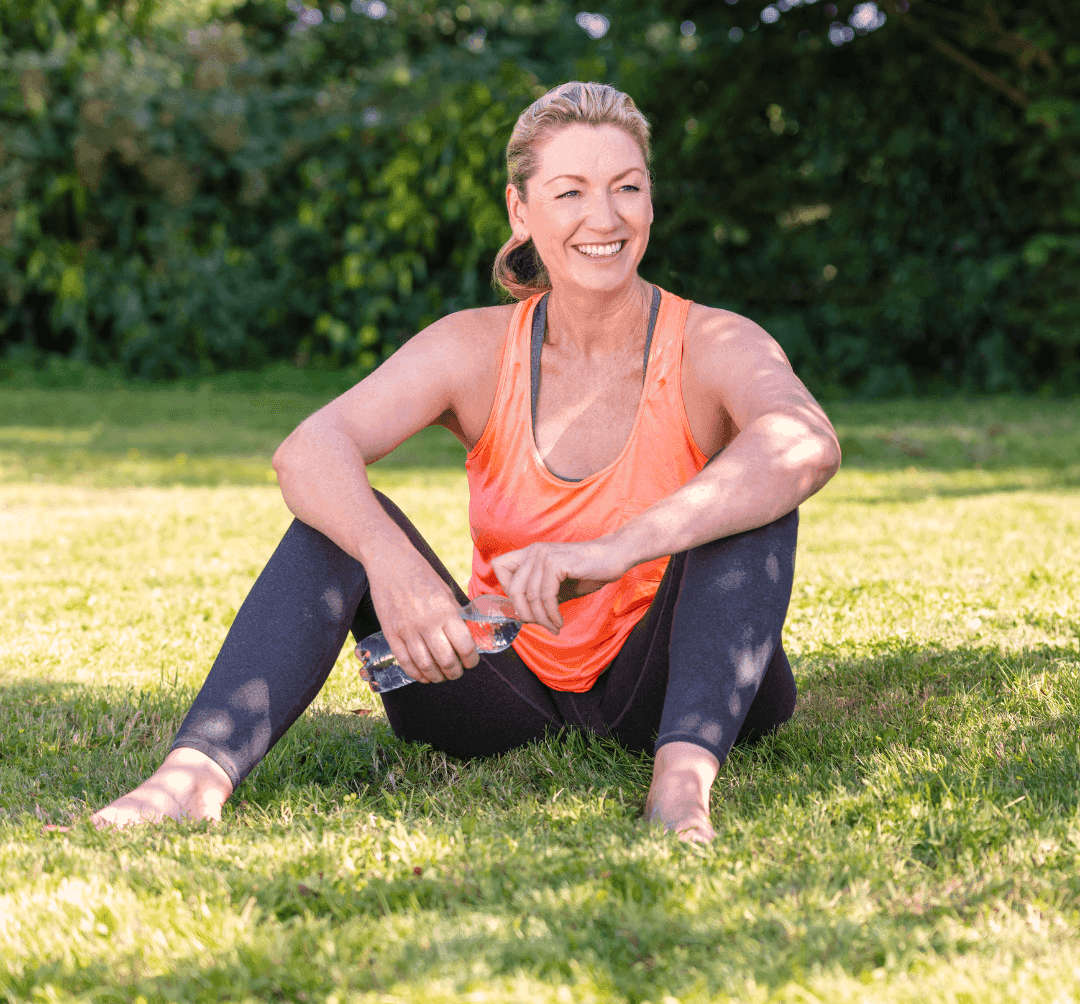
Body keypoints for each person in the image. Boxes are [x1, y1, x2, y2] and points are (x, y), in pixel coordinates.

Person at [92, 82, 840, 842]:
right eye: (570, 192)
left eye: (627, 188)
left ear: (651, 201)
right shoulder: (475, 347)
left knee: (754, 503)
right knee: (343, 523)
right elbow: (309, 449)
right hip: (496, 689)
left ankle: (680, 788)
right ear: (521, 210)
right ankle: (191, 777)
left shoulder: (713, 341)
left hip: (679, 685)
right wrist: (393, 564)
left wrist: (616, 550)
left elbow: (805, 441)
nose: (604, 218)